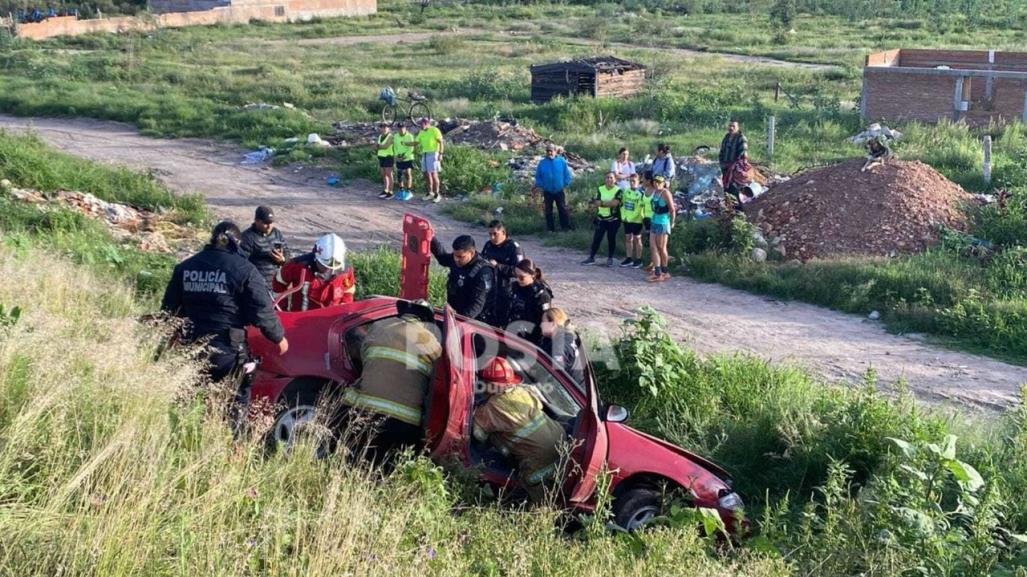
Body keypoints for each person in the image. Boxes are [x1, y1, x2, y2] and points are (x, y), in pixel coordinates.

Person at [161, 220, 289, 386]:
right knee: (235, 399)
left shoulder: (184, 267)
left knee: (188, 397)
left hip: (191, 345)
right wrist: (279, 338)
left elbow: (169, 310)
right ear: (237, 243)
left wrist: (168, 339)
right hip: (227, 349)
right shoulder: (246, 270)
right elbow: (262, 311)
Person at [341, 313, 442, 463]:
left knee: (356, 459)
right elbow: (440, 377)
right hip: (405, 423)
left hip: (366, 413)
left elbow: (365, 361)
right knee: (386, 466)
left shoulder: (379, 327)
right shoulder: (432, 342)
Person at [473, 356, 565, 504]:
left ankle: (543, 518)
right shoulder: (524, 392)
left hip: (539, 463)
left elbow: (479, 436)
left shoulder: (491, 408)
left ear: (489, 385)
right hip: (562, 445)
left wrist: (477, 414)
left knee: (540, 498)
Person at [272, 233, 356, 311]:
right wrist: (281, 308)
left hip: (332, 321)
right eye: (324, 266)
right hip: (301, 321)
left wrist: (345, 308)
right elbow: (279, 281)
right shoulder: (298, 266)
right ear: (316, 257)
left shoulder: (346, 271)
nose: (331, 270)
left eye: (334, 268)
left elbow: (348, 290)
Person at [430, 233, 496, 325]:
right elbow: (443, 258)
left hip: (473, 321)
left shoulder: (483, 272)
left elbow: (477, 306)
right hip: (454, 313)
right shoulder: (458, 258)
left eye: (461, 257)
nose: (456, 259)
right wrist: (432, 239)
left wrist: (458, 320)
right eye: (455, 255)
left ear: (471, 253)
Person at [481, 220, 524, 325]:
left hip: (507, 291)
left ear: (503, 233)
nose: (492, 237)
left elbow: (520, 271)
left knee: (505, 321)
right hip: (490, 290)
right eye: (490, 234)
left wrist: (498, 266)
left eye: (495, 234)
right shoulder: (488, 246)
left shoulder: (514, 248)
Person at [239, 205, 288, 289]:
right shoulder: (247, 237)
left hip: (276, 284)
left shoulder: (277, 233)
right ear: (257, 221)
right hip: (257, 284)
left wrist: (282, 260)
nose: (269, 226)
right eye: (265, 223)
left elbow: (287, 253)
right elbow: (241, 263)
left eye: (271, 223)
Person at [505, 259, 552, 344]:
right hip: (513, 332)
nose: (518, 279)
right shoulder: (514, 287)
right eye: (516, 275)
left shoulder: (541, 295)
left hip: (532, 337)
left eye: (521, 277)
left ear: (532, 275)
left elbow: (544, 321)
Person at [581, 172, 622, 267]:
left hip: (613, 219)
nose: (609, 179)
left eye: (611, 178)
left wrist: (602, 203)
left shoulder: (618, 190)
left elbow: (615, 203)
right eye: (607, 177)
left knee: (611, 238)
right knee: (597, 238)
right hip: (601, 218)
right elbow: (596, 202)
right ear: (604, 179)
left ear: (615, 179)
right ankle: (591, 257)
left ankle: (610, 258)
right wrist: (606, 203)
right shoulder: (600, 189)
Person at [534, 144, 573, 233]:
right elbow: (538, 176)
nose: (550, 153)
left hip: (559, 190)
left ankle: (565, 227)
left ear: (555, 151)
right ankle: (550, 229)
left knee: (562, 209)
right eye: (548, 151)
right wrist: (542, 185)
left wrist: (565, 184)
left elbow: (567, 174)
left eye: (551, 151)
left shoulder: (561, 161)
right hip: (548, 191)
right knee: (548, 210)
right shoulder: (542, 163)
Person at [540, 307, 583, 385]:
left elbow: (555, 376)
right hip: (579, 386)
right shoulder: (569, 336)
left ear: (553, 324)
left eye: (543, 322)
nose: (540, 325)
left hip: (570, 392)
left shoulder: (559, 346)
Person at [647, 176, 676, 283]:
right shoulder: (655, 192)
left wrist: (672, 223)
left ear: (664, 183)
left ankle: (664, 271)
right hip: (654, 221)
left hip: (663, 223)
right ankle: (658, 272)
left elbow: (672, 209)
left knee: (661, 247)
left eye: (659, 182)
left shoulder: (665, 193)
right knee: (653, 247)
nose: (657, 184)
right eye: (655, 182)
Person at [619, 173, 646, 269]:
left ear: (638, 182)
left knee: (637, 239)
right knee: (628, 239)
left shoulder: (641, 194)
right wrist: (623, 216)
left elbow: (640, 208)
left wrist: (633, 218)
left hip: (637, 220)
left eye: (634, 181)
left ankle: (639, 259)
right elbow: (623, 205)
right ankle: (629, 258)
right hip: (626, 219)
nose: (632, 183)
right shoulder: (626, 192)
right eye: (630, 181)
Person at [415, 117, 444, 203]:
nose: (421, 125)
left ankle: (437, 194)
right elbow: (416, 142)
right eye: (420, 124)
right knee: (426, 174)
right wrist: (405, 143)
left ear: (427, 123)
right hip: (425, 153)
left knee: (434, 174)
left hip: (433, 153)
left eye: (423, 123)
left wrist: (441, 154)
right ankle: (430, 193)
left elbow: (441, 142)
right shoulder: (422, 132)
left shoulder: (434, 130)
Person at [719, 119, 751, 196]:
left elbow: (742, 154)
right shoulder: (726, 137)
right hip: (725, 166)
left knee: (736, 187)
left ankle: (740, 202)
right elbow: (722, 151)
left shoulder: (741, 138)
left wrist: (733, 165)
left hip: (736, 167)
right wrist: (722, 163)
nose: (731, 128)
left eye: (733, 126)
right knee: (725, 186)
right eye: (730, 126)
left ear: (738, 127)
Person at [393, 122, 417, 199]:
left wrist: (405, 156)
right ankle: (401, 190)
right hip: (399, 157)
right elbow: (395, 146)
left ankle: (409, 190)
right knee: (399, 174)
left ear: (405, 128)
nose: (401, 129)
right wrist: (396, 155)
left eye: (403, 128)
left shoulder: (410, 136)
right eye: (400, 128)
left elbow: (411, 148)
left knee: (407, 173)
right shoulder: (396, 136)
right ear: (398, 129)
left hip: (408, 157)